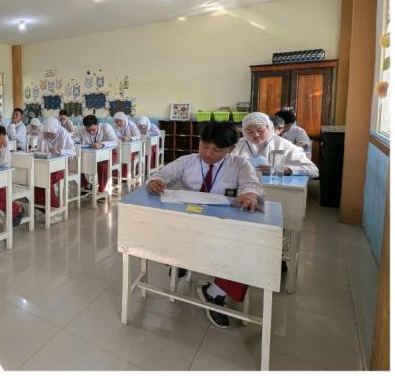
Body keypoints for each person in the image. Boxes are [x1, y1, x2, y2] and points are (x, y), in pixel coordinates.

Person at [146, 121, 262, 329]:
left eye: (217, 150)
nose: (208, 153)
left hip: (223, 227)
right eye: (204, 146)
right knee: (165, 230)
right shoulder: (187, 160)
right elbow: (164, 174)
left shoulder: (239, 164)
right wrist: (156, 180)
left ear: (231, 149)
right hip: (188, 223)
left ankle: (214, 292)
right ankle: (179, 262)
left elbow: (251, 184)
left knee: (248, 251)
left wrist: (249, 194)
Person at [231, 112, 318, 177]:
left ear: (269, 128)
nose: (256, 135)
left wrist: (283, 169)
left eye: (260, 130)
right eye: (249, 132)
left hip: (276, 188)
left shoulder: (283, 144)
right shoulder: (238, 145)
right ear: (244, 132)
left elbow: (313, 170)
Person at [34, 117, 76, 210]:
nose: (49, 135)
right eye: (47, 133)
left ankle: (53, 208)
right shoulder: (42, 134)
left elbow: (73, 151)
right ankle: (42, 205)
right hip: (45, 166)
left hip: (61, 167)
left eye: (51, 134)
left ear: (56, 130)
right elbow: (39, 149)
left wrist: (60, 151)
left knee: (45, 180)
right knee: (35, 178)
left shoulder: (64, 134)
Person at [74, 114, 118, 194]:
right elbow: (74, 140)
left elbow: (115, 142)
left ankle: (102, 190)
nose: (91, 132)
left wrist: (102, 144)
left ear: (97, 125)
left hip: (109, 154)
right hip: (92, 155)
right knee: (77, 163)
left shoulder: (106, 127)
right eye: (88, 130)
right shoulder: (82, 130)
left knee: (103, 166)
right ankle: (85, 185)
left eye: (93, 130)